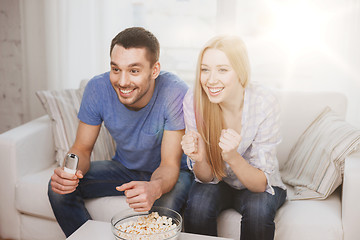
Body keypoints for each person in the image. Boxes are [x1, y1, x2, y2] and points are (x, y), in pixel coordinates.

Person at [48, 27, 192, 237]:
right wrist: (69, 173)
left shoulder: (175, 92)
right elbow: (82, 148)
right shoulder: (97, 88)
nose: (122, 82)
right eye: (116, 69)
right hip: (125, 167)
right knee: (58, 190)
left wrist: (154, 187)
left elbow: (169, 164)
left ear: (154, 70)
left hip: (173, 173)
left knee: (163, 210)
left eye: (134, 70)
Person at [181, 35, 287, 240]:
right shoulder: (195, 100)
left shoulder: (264, 102)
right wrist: (199, 158)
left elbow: (259, 185)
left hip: (255, 181)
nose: (211, 79)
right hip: (218, 181)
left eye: (222, 69)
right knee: (198, 207)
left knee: (258, 212)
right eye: (205, 69)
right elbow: (205, 177)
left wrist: (231, 156)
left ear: (240, 71)